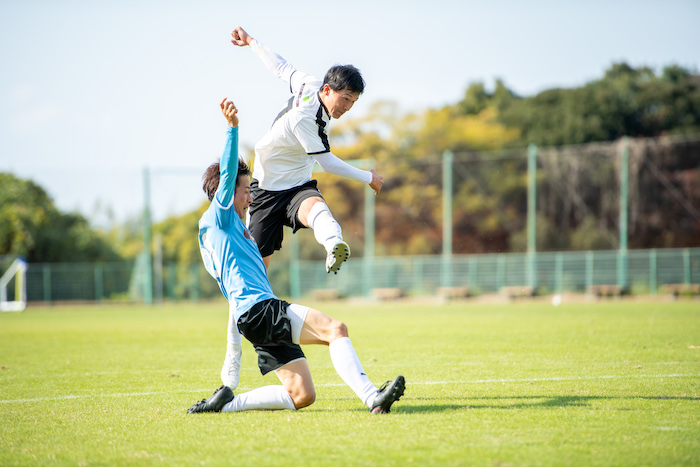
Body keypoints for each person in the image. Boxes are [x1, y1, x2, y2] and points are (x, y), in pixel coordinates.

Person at [189, 98, 404, 415]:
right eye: (245, 190)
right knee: (335, 329)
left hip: (252, 318)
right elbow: (229, 168)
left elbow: (235, 301)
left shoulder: (229, 233)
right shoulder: (218, 217)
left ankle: (226, 407)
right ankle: (373, 398)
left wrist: (229, 377)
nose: (251, 196)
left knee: (301, 395)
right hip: (261, 311)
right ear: (225, 192)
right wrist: (232, 129)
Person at [229, 26, 384, 274]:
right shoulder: (305, 119)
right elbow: (328, 164)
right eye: (345, 98)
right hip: (266, 188)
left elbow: (281, 67)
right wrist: (369, 177)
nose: (348, 107)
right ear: (327, 90)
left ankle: (334, 245)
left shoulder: (310, 83)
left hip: (297, 184)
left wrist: (251, 41)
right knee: (257, 271)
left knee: (316, 207)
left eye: (353, 102)